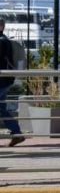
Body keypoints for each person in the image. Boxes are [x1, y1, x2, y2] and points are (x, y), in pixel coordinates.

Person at [0, 18, 25, 147]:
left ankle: (17, 133)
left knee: (1, 108)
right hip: (6, 80)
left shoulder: (1, 42)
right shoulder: (5, 41)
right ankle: (17, 133)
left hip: (2, 80)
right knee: (1, 108)